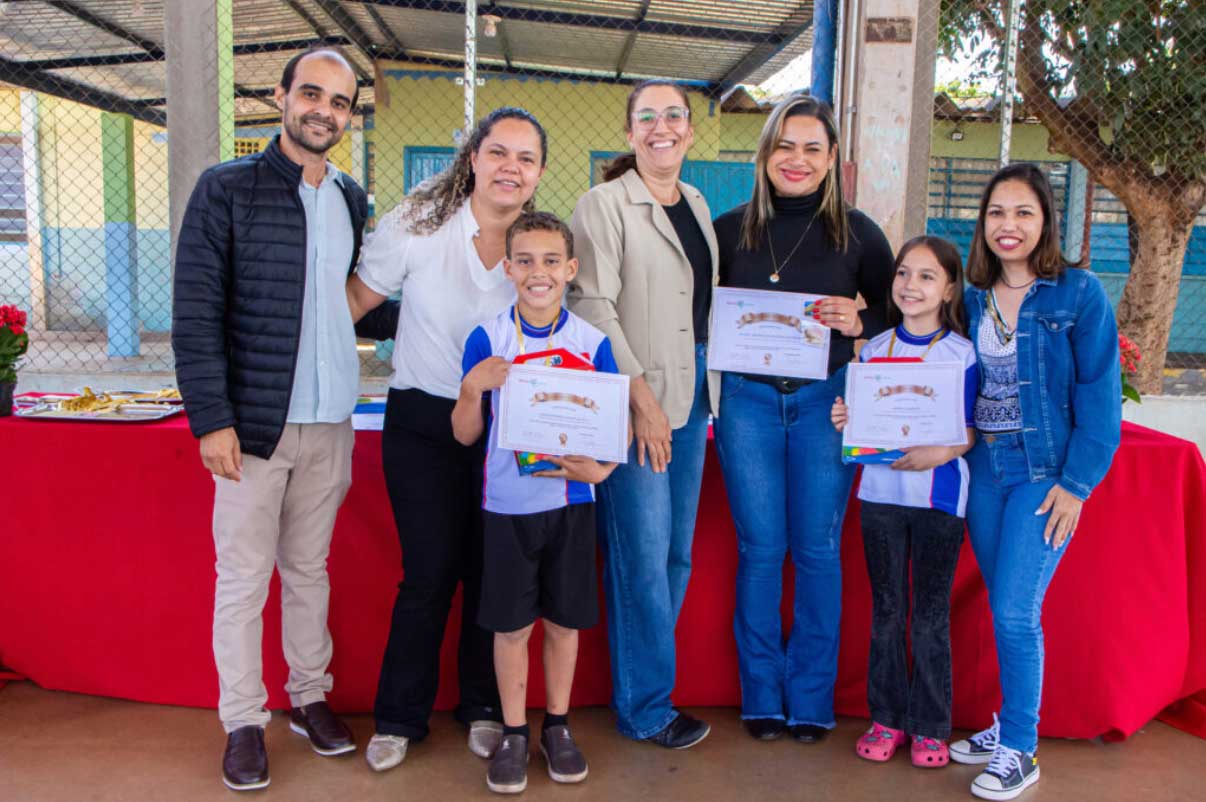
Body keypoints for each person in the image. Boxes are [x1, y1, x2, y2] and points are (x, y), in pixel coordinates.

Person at [172, 46, 398, 791]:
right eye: (312, 94)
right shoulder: (225, 189)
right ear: (279, 96)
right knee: (241, 579)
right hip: (254, 425)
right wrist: (212, 418)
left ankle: (309, 697)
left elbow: (363, 302)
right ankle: (243, 719)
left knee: (309, 571)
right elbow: (196, 312)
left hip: (331, 421)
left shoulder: (349, 198)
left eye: (339, 102)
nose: (324, 111)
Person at [345, 107, 548, 772]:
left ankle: (484, 708)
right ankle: (399, 718)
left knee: (492, 573)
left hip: (506, 429)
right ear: (474, 158)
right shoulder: (418, 222)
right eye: (498, 153)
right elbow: (355, 300)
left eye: (524, 158)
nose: (509, 168)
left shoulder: (536, 247)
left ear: (539, 173)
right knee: (429, 574)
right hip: (422, 423)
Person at [711, 93, 895, 744]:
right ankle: (763, 695)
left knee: (817, 552)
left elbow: (900, 314)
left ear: (832, 159)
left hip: (827, 405)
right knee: (761, 552)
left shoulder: (860, 233)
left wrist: (862, 321)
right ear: (765, 153)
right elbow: (698, 308)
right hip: (749, 405)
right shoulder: (730, 230)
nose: (797, 159)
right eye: (785, 145)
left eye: (812, 148)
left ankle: (811, 700)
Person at [949, 163, 1121, 801]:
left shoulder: (1077, 294)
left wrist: (1076, 485)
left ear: (1045, 219)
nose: (1008, 226)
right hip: (983, 470)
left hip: (1042, 474)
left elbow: (1100, 398)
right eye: (996, 212)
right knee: (1003, 604)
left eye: (1023, 212)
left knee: (1015, 611)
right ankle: (1005, 727)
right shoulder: (970, 297)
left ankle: (1021, 747)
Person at [569, 79, 719, 748]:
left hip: (692, 406)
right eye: (647, 117)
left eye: (674, 116)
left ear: (690, 131)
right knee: (640, 555)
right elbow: (593, 306)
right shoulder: (603, 204)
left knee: (675, 557)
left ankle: (644, 687)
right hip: (638, 410)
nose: (662, 126)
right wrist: (641, 399)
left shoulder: (696, 201)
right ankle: (645, 706)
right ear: (631, 134)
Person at [452, 211, 620, 794]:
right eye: (524, 260)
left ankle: (559, 727)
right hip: (507, 507)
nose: (537, 272)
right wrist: (474, 387)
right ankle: (516, 732)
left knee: (564, 624)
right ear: (508, 267)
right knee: (511, 627)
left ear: (570, 270)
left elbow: (610, 435)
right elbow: (465, 434)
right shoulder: (487, 337)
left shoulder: (592, 343)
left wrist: (595, 468)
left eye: (551, 261)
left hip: (573, 504)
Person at [830, 236, 978, 768]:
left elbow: (968, 431)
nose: (911, 286)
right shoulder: (873, 350)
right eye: (903, 274)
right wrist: (847, 421)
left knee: (930, 616)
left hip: (939, 500)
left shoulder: (962, 353)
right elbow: (860, 426)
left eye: (926, 276)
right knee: (888, 611)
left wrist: (938, 451)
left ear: (949, 289)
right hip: (880, 496)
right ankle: (887, 718)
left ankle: (932, 726)